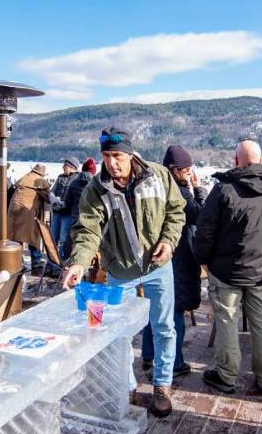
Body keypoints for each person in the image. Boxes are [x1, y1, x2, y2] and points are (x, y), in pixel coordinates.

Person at [64, 127, 187, 418]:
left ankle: (162, 384)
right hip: (120, 270)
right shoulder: (97, 188)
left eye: (117, 156)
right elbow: (87, 231)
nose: (111, 163)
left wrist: (168, 242)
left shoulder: (158, 175)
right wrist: (79, 262)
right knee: (118, 335)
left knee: (164, 327)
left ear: (130, 154)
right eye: (106, 156)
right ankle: (127, 386)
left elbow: (176, 212)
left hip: (158, 267)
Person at [195, 140, 262, 396]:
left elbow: (205, 231)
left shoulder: (223, 191)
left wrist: (202, 259)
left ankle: (226, 376)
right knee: (261, 323)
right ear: (260, 160)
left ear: (235, 161)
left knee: (226, 322)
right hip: (261, 271)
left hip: (227, 271)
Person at [141, 145, 204, 378]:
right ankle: (174, 362)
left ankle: (148, 353)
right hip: (178, 259)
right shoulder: (180, 192)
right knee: (174, 311)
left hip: (158, 257)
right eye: (186, 170)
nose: (189, 173)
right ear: (173, 170)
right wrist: (197, 188)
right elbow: (201, 215)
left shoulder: (153, 188)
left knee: (155, 307)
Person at [8, 164, 50, 273]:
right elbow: (48, 197)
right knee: (33, 236)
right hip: (27, 211)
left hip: (13, 211)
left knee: (16, 238)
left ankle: (17, 263)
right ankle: (36, 263)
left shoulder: (24, 178)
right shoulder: (40, 182)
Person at [48, 157, 80, 273]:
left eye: (65, 166)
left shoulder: (77, 179)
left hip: (68, 214)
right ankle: (51, 265)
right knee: (52, 239)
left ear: (71, 167)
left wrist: (64, 203)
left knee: (63, 240)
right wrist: (53, 200)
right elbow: (52, 191)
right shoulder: (60, 177)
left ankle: (61, 267)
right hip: (57, 212)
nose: (63, 168)